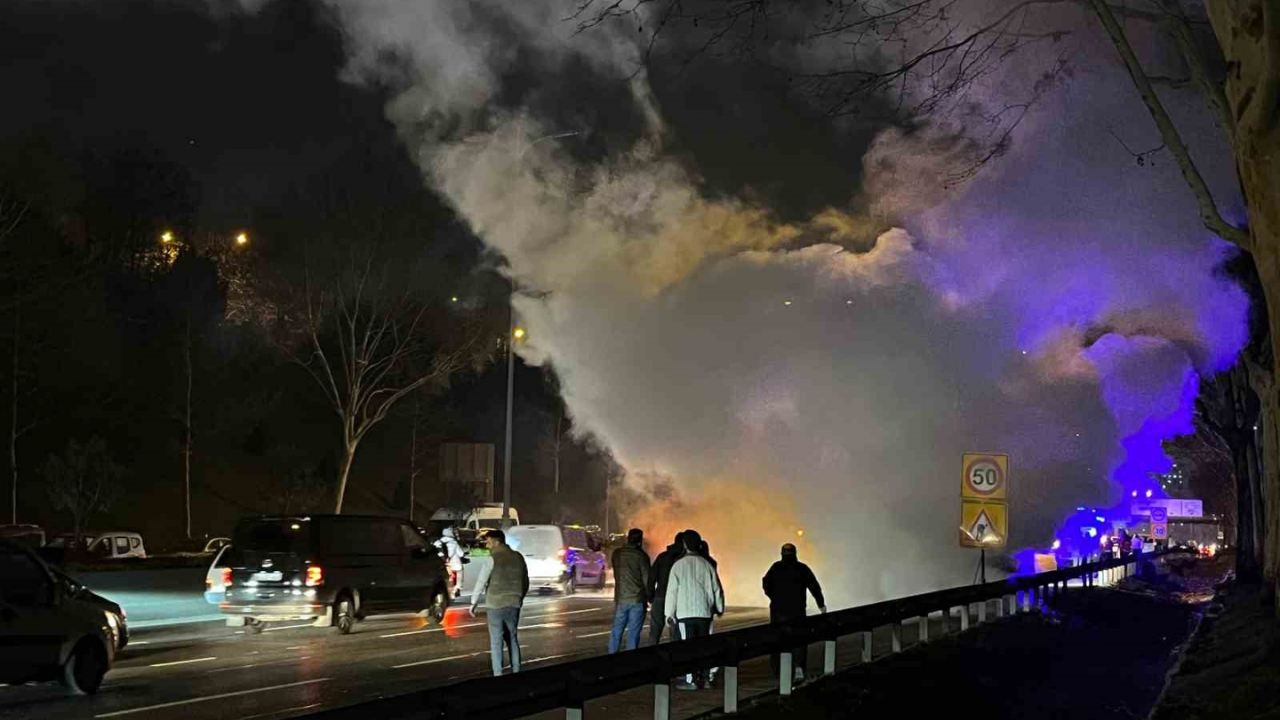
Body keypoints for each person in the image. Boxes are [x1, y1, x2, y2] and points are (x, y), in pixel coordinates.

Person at [664, 530, 724, 690]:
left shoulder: (678, 565)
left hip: (685, 613)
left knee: (688, 647)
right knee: (706, 646)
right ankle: (706, 677)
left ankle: (691, 680)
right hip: (704, 612)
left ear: (684, 544)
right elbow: (716, 588)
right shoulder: (707, 564)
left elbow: (672, 591)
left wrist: (669, 613)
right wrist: (719, 607)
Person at [762, 543, 826, 685]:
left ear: (782, 553)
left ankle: (778, 671)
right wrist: (821, 604)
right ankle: (798, 668)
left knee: (778, 640)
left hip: (778, 611)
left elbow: (766, 583)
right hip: (797, 611)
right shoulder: (802, 568)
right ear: (795, 554)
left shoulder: (776, 567)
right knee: (799, 640)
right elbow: (814, 586)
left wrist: (773, 597)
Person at [469, 529, 529, 676]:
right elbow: (525, 581)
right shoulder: (518, 557)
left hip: (495, 604)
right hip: (514, 603)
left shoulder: (492, 558)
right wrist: (520, 597)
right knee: (512, 638)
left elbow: (481, 581)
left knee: (496, 641)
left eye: (489, 541)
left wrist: (473, 602)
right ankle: (516, 671)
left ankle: (498, 675)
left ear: (497, 541)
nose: (487, 545)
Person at [609, 528, 651, 653]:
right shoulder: (642, 556)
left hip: (621, 598)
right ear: (640, 541)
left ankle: (611, 657)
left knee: (616, 630)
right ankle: (630, 661)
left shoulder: (617, 554)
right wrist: (650, 595)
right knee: (633, 632)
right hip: (638, 599)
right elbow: (647, 578)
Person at [648, 531, 685, 646]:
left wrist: (650, 596)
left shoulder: (662, 557)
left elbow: (651, 577)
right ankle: (673, 658)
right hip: (677, 599)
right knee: (675, 632)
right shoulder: (683, 559)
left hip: (660, 596)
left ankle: (650, 658)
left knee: (655, 632)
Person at [433, 527, 465, 597]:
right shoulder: (453, 542)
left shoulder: (437, 542)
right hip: (455, 564)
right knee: (460, 570)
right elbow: (461, 554)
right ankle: (458, 587)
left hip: (442, 564)